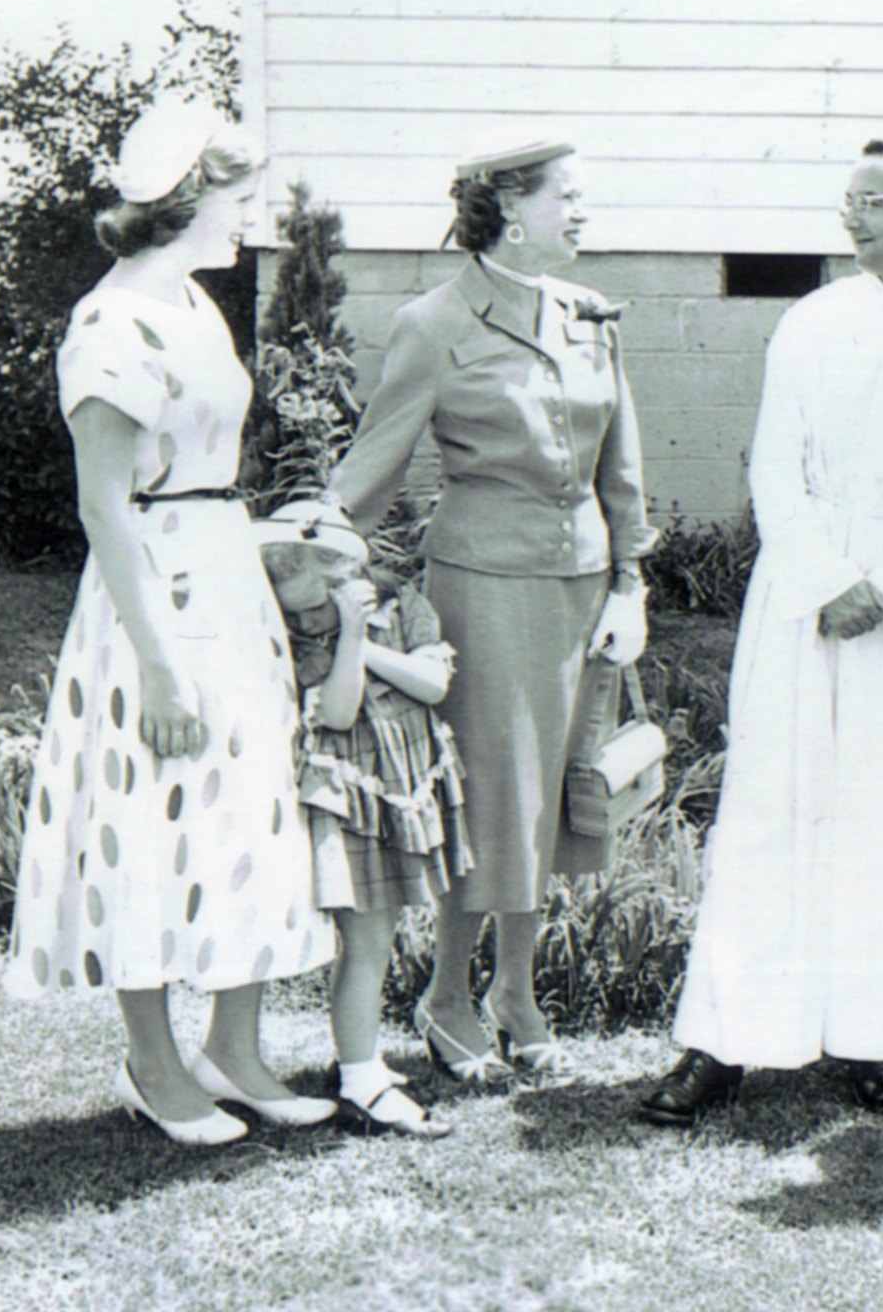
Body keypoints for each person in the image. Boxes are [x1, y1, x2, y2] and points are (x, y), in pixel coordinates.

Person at [637, 136, 883, 1125]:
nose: (849, 217)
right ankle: (727, 1040)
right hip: (806, 601)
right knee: (775, 809)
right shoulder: (811, 322)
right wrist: (825, 580)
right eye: (846, 200)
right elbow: (775, 466)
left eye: (872, 201)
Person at [5, 99, 337, 1145]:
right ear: (189, 199)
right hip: (152, 594)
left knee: (245, 808)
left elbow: (203, 465)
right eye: (239, 199)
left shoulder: (197, 305)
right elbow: (105, 501)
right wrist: (156, 665)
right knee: (151, 810)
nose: (253, 219)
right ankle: (154, 1060)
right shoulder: (110, 324)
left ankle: (233, 1048)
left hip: (223, 575)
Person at [319, 134, 657, 1084]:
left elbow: (620, 465)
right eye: (570, 197)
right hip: (489, 590)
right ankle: (450, 995)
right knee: (498, 795)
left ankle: (516, 993)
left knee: (556, 793)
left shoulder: (591, 316)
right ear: (512, 208)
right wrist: (311, 553)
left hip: (584, 588)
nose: (583, 213)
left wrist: (631, 583)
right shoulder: (436, 321)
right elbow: (374, 463)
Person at [254, 500, 472, 1139]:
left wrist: (369, 640)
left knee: (381, 935)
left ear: (348, 575)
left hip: (404, 789)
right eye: (300, 611)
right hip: (349, 801)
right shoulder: (303, 640)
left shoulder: (404, 606)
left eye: (324, 603)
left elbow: (434, 685)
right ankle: (361, 1076)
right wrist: (351, 636)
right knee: (369, 939)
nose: (312, 618)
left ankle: (363, 1065)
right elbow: (342, 713)